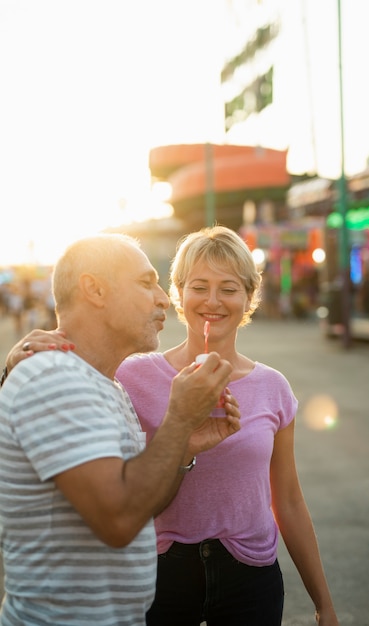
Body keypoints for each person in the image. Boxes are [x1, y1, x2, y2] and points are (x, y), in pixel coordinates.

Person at [5, 226, 339, 626]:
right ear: (180, 294)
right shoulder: (126, 375)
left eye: (229, 288)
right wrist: (16, 364)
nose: (213, 300)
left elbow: (288, 500)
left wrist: (324, 603)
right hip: (163, 572)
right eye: (199, 286)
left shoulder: (273, 387)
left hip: (249, 572)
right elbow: (55, 407)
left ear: (249, 297)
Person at [0, 233, 241, 626]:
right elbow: (118, 521)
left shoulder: (108, 387)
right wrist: (178, 417)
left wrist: (182, 446)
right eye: (147, 283)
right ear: (94, 289)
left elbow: (142, 503)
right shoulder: (54, 378)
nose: (164, 299)